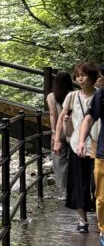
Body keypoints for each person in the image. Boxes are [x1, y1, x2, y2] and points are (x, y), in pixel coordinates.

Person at [63, 61, 98, 232]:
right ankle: (82, 220)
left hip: (98, 144)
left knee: (97, 184)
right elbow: (64, 117)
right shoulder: (72, 97)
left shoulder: (100, 95)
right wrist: (58, 137)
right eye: (77, 76)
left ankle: (101, 219)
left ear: (92, 76)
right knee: (79, 183)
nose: (80, 79)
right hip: (78, 144)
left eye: (83, 75)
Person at [76, 64, 104, 246]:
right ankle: (103, 230)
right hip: (103, 153)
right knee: (101, 197)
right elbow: (89, 118)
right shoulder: (101, 95)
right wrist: (80, 142)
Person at [49, 70, 75, 200]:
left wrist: (54, 133)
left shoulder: (51, 96)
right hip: (73, 130)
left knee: (59, 162)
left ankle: (64, 192)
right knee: (74, 160)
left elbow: (53, 115)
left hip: (59, 131)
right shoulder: (74, 95)